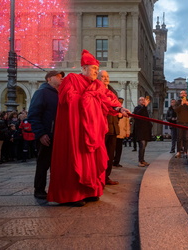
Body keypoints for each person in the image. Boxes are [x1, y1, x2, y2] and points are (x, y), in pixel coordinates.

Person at [47, 50, 128, 207]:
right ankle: (72, 195)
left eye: (97, 70)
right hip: (76, 130)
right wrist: (90, 96)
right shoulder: (72, 79)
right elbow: (67, 99)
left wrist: (120, 109)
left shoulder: (96, 85)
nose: (95, 72)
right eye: (93, 69)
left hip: (92, 130)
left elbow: (109, 98)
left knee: (91, 160)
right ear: (83, 68)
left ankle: (90, 191)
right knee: (75, 159)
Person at [28, 70, 64, 199]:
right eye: (58, 76)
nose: (61, 78)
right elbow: (33, 115)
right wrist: (41, 133)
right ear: (49, 79)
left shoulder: (60, 94)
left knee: (57, 164)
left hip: (58, 135)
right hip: (47, 135)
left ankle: (56, 188)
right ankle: (39, 189)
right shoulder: (41, 92)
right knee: (43, 163)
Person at [98, 70, 120, 185]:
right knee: (101, 155)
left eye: (107, 76)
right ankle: (99, 178)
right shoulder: (96, 90)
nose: (105, 78)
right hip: (102, 127)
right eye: (102, 76)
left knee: (110, 154)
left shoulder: (112, 91)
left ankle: (106, 177)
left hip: (113, 128)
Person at [174, 90, 188, 158]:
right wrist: (181, 104)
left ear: (186, 95)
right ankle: (178, 151)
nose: (183, 94)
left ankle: (185, 151)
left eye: (184, 93)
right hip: (180, 123)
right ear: (180, 95)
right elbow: (176, 110)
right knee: (179, 138)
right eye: (181, 93)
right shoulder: (178, 102)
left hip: (187, 123)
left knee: (186, 138)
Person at [133, 96, 152, 167]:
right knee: (142, 146)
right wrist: (144, 106)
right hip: (140, 131)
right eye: (141, 100)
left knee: (144, 146)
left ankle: (142, 160)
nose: (143, 101)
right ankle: (140, 161)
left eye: (143, 100)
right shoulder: (137, 108)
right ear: (138, 101)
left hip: (145, 131)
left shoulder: (145, 109)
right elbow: (138, 114)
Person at [113, 98, 130, 167]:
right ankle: (111, 160)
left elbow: (127, 123)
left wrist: (127, 132)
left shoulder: (124, 111)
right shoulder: (114, 110)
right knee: (112, 148)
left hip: (121, 132)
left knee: (119, 148)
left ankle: (117, 161)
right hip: (113, 131)